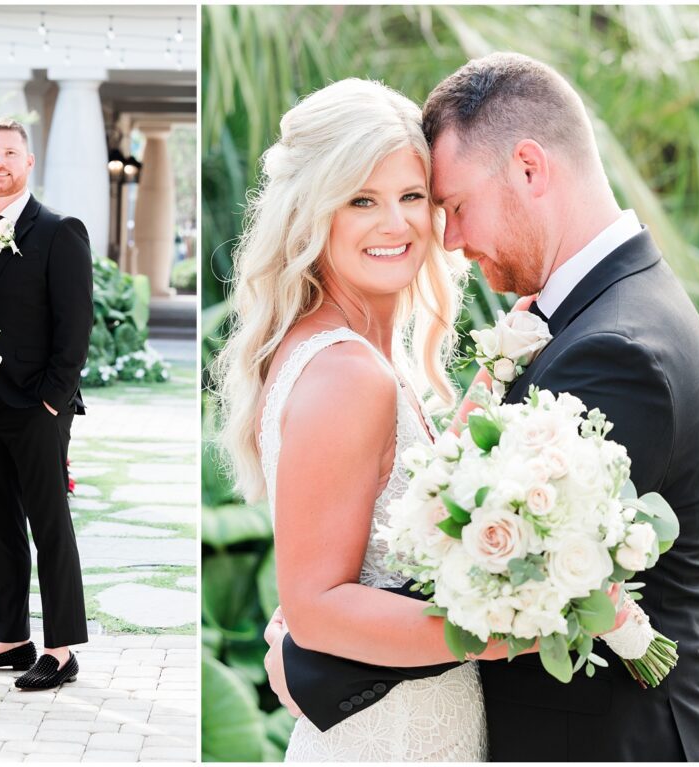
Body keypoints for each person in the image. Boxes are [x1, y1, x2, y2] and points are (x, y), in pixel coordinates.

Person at [266, 53, 699, 762]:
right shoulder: (591, 316)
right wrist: (313, 617)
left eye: (448, 203)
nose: (446, 238)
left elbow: (514, 581)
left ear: (529, 168)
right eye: (365, 198)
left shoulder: (620, 350)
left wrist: (303, 656)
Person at [213, 77, 512, 761]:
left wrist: (500, 370)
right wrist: (514, 629)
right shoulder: (348, 372)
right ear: (313, 213)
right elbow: (316, 608)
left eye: (412, 197)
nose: (396, 224)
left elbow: (396, 518)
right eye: (362, 201)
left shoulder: (349, 352)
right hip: (389, 738)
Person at [0, 118, 93, 691]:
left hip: (38, 408)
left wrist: (51, 403)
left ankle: (61, 651)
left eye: (9, 153)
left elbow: (75, 328)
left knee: (49, 525)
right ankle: (12, 638)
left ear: (29, 162)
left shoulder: (60, 230)